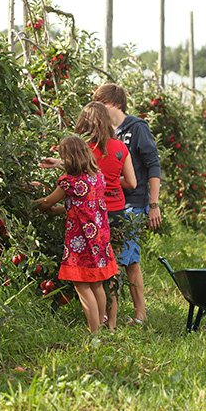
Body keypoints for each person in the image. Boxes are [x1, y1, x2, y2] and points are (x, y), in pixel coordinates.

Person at [41, 102, 136, 330]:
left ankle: (94, 331)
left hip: (82, 232)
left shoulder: (77, 163)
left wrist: (35, 202)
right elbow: (131, 182)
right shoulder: (116, 154)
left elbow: (57, 193)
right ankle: (109, 325)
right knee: (104, 278)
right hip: (107, 219)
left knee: (83, 282)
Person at [34, 135, 118, 334]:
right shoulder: (97, 177)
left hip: (81, 241)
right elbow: (84, 205)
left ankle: (94, 332)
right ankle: (101, 327)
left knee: (81, 286)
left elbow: (47, 202)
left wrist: (30, 203)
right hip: (99, 239)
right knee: (97, 283)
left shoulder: (69, 183)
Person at [92, 83, 161, 325]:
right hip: (110, 204)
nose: (98, 109)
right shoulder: (103, 133)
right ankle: (138, 314)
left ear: (115, 104)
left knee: (120, 258)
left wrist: (154, 204)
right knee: (131, 260)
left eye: (102, 103)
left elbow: (153, 164)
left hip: (134, 202)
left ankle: (111, 316)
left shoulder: (137, 127)